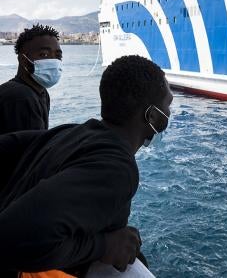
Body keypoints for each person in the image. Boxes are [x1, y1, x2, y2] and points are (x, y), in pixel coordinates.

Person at [0, 55, 173, 278]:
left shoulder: (69, 133)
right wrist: (103, 246)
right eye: (167, 105)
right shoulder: (117, 168)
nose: (169, 113)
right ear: (152, 116)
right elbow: (9, 238)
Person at [0, 24, 63, 135]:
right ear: (23, 60)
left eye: (58, 56)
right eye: (44, 54)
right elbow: (28, 149)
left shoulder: (41, 92)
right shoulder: (20, 97)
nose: (53, 61)